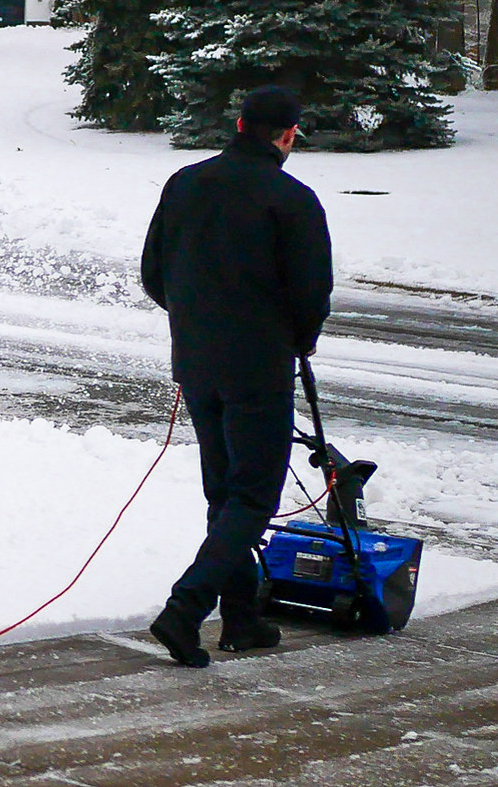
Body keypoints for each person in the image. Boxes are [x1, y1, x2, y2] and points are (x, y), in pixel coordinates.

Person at [141, 85, 333, 667]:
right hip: (258, 365)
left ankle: (243, 618)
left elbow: (154, 273)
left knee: (224, 493)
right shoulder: (292, 198)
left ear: (241, 124)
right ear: (286, 134)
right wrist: (297, 341)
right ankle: (185, 611)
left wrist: (196, 323)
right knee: (251, 496)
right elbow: (311, 293)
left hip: (197, 364)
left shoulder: (185, 182)